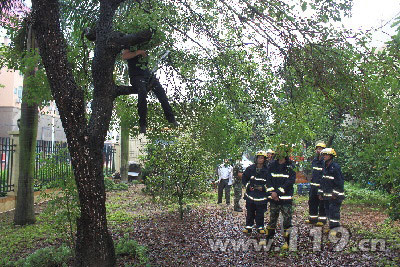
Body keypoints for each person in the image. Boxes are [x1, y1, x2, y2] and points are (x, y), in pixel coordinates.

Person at [122, 48, 177, 134]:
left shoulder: (145, 44)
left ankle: (171, 118)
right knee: (142, 92)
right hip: (136, 76)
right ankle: (142, 124)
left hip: (147, 74)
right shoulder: (130, 44)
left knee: (161, 93)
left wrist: (145, 53)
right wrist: (139, 52)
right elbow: (125, 56)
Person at [263, 144, 296, 249]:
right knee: (272, 220)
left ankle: (288, 242)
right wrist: (272, 193)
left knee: (287, 221)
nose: (281, 153)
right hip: (274, 199)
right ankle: (269, 240)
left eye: (283, 151)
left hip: (285, 199)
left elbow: (290, 182)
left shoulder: (290, 166)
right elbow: (268, 180)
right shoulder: (272, 165)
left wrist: (278, 192)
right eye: (279, 151)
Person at [242, 151, 270, 234]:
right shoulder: (250, 168)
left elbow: (270, 182)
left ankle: (260, 226)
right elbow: (244, 178)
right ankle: (248, 227)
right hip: (251, 195)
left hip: (261, 196)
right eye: (258, 157)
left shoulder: (267, 170)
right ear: (256, 159)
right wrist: (248, 186)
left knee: (260, 212)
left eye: (262, 158)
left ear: (264, 159)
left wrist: (264, 188)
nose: (260, 159)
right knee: (250, 211)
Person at [319, 148, 345, 236]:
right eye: (323, 155)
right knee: (328, 212)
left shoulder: (335, 167)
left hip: (335, 196)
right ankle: (331, 227)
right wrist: (320, 193)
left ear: (331, 156)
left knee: (334, 213)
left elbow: (340, 182)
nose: (324, 156)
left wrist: (335, 194)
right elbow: (322, 181)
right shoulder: (324, 166)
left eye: (326, 155)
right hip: (326, 195)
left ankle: (335, 229)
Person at [305, 142, 327, 226]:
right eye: (318, 148)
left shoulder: (325, 162)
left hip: (322, 187)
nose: (319, 150)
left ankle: (322, 220)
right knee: (312, 202)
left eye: (321, 148)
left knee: (322, 204)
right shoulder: (314, 160)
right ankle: (312, 219)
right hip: (313, 186)